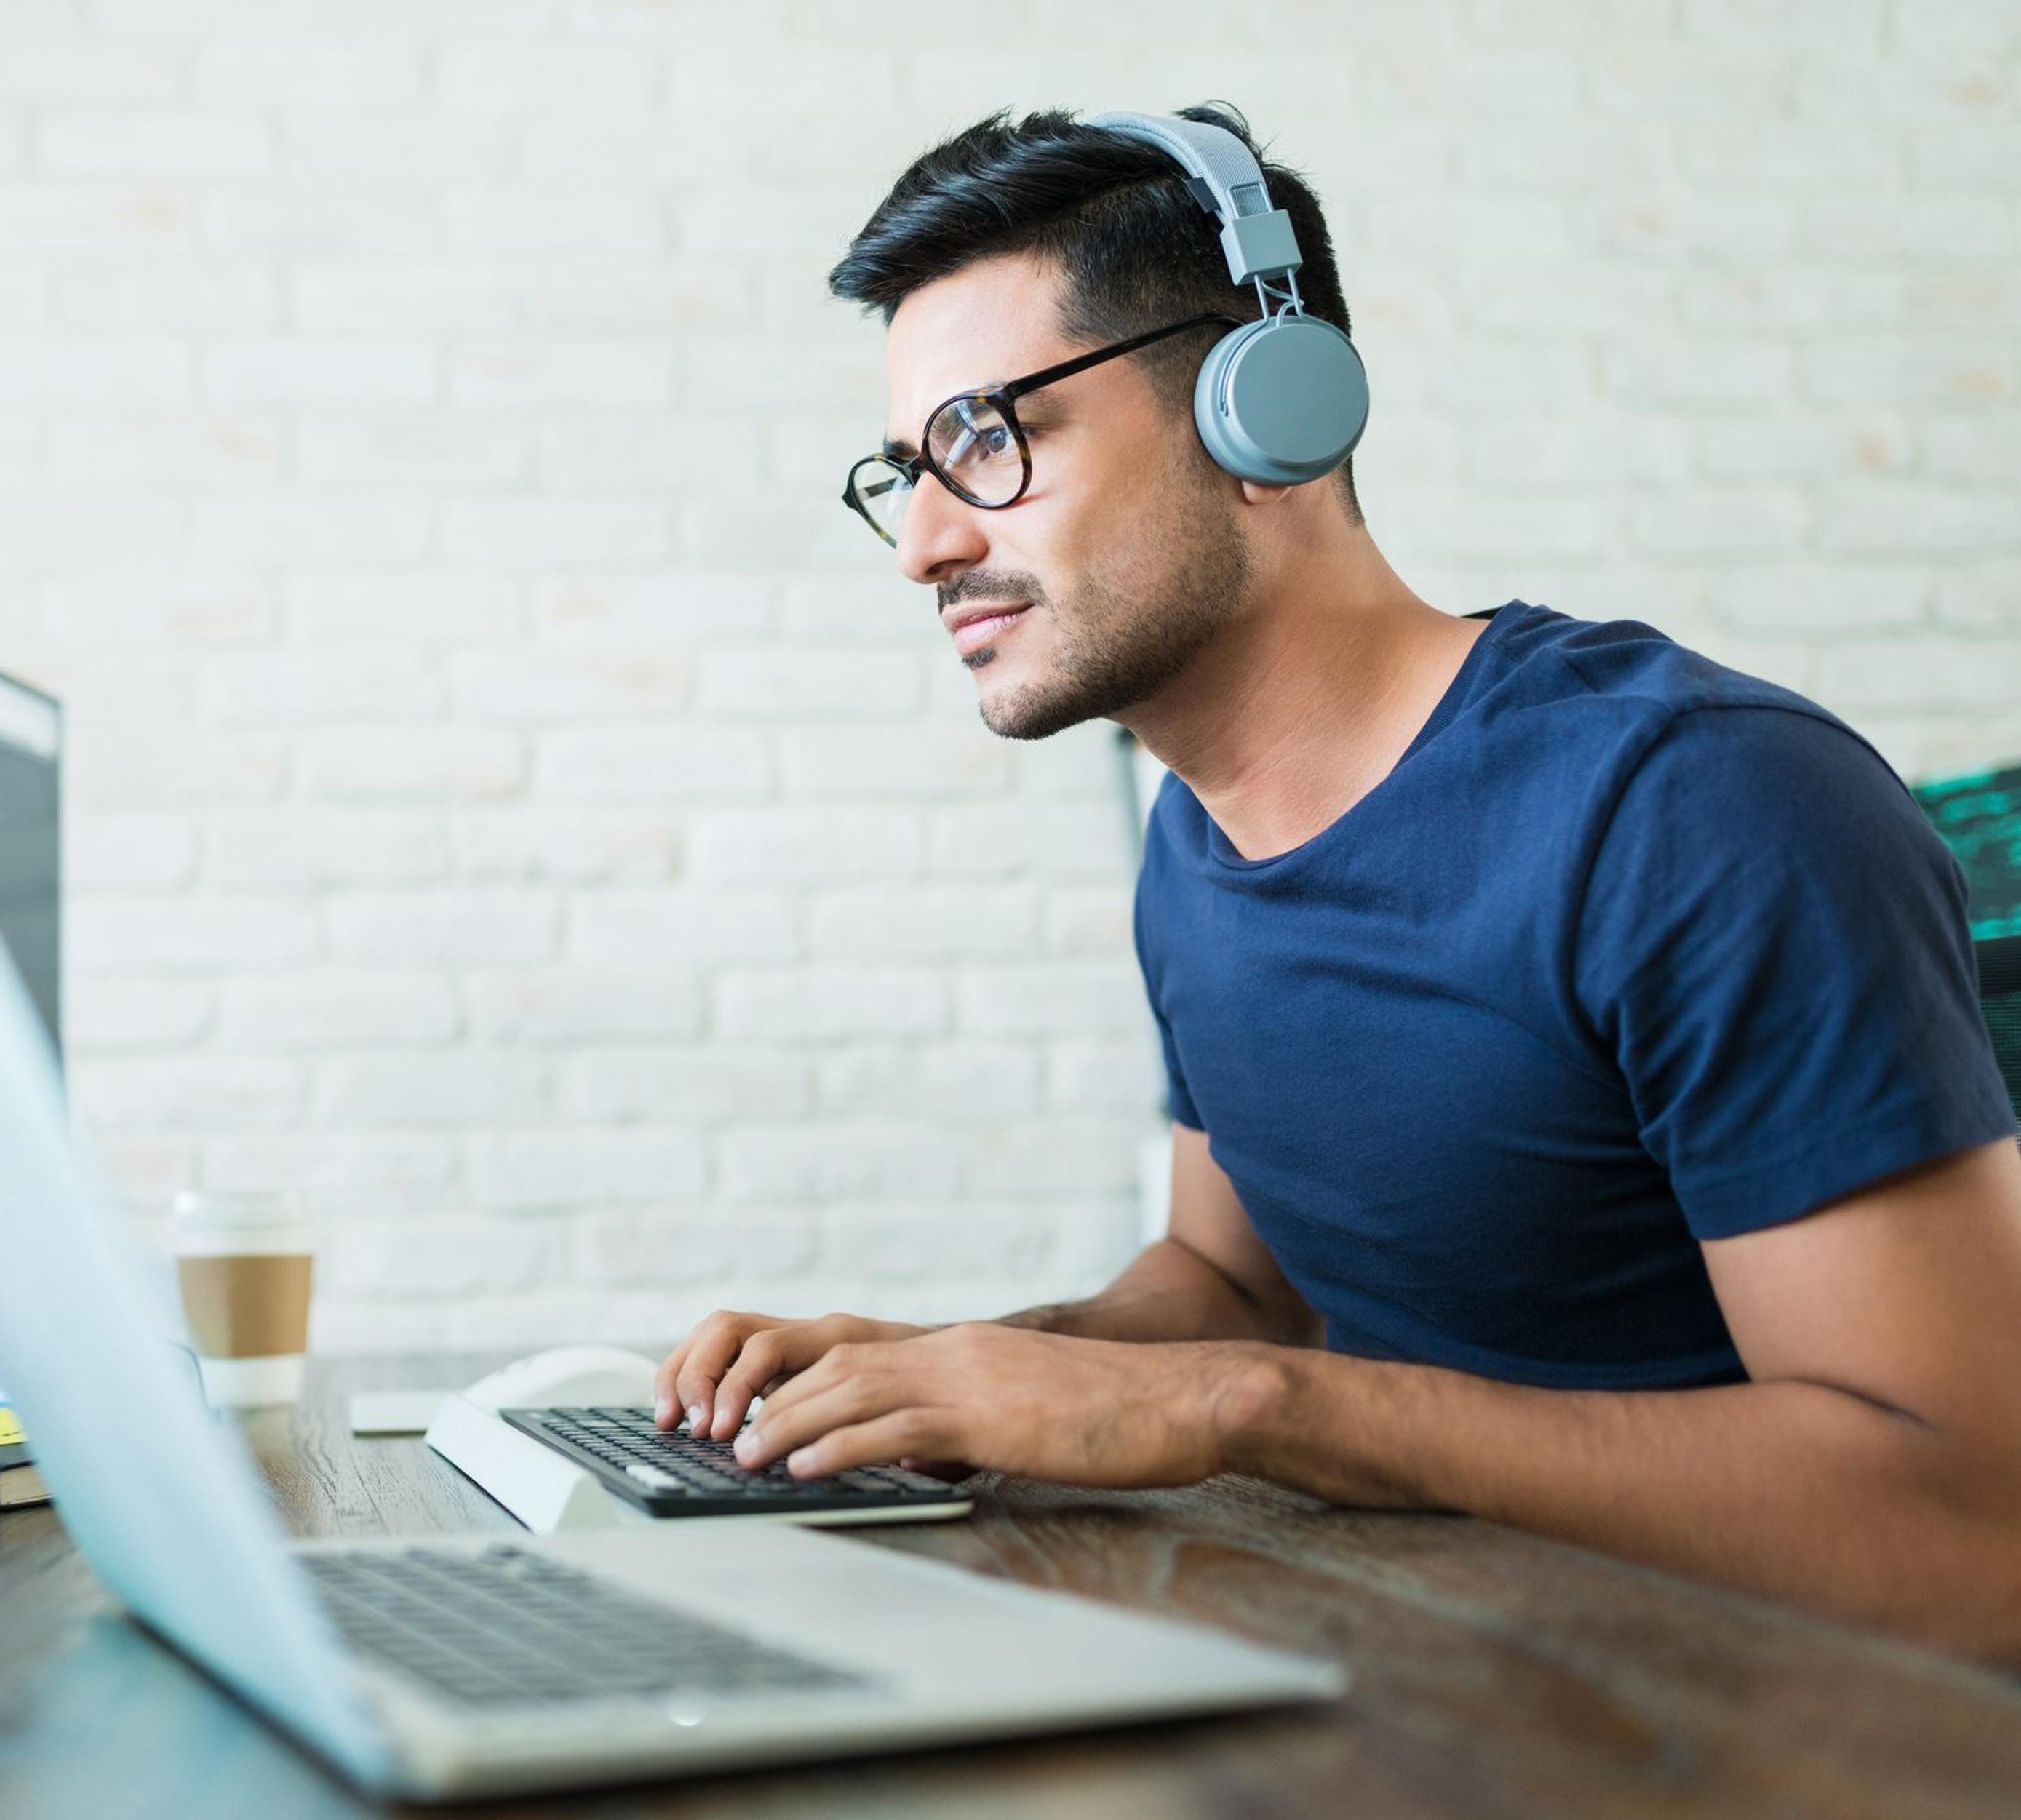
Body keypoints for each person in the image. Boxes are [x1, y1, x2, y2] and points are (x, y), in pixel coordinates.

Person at [659, 105, 2021, 1656]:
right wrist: (955, 1374)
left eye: (987, 438)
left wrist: (1247, 1409)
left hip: (1765, 1725)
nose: (921, 543)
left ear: (1267, 415)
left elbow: (1972, 1529)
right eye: (905, 469)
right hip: (1430, 1674)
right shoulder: (1195, 843)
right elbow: (1239, 1292)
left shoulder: (1699, 807)